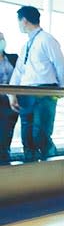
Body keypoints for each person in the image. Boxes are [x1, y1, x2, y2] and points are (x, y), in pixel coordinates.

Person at [8, 6, 64, 162]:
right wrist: (12, 94)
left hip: (45, 92)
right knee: (27, 135)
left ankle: (51, 165)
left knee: (40, 133)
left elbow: (62, 67)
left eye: (19, 21)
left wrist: (57, 90)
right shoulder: (26, 45)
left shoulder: (47, 39)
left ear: (24, 20)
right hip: (26, 93)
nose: (19, 25)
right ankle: (30, 167)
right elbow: (19, 72)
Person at [0, 32, 19, 165]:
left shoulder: (13, 58)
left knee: (7, 131)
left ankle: (5, 156)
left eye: (2, 38)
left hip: (11, 100)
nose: (1, 40)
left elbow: (20, 76)